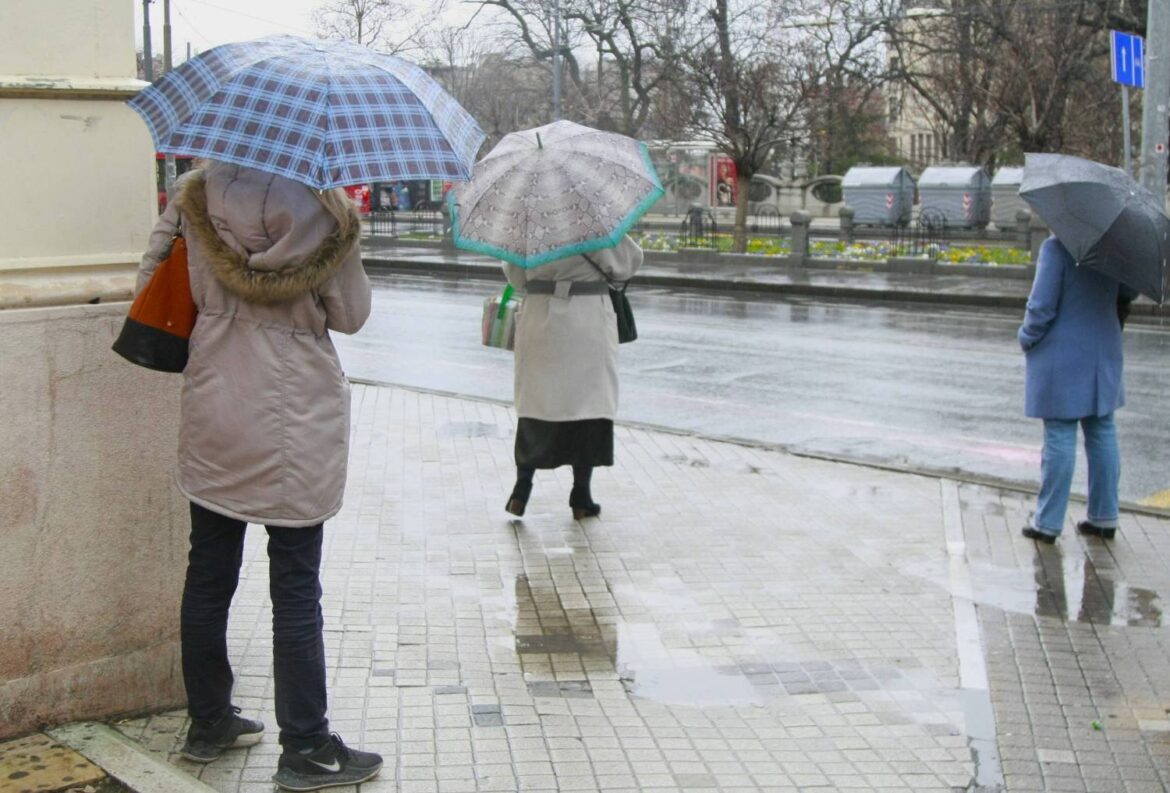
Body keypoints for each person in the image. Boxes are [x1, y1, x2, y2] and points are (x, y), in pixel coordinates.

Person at [136, 160, 382, 791]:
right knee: (295, 586)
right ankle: (305, 747)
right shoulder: (325, 213)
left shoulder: (194, 196)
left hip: (216, 399)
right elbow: (350, 314)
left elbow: (152, 283)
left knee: (209, 571)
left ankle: (209, 721)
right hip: (295, 417)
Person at [501, 235, 643, 519]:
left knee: (536, 402)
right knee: (587, 403)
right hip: (586, 318)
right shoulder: (593, 223)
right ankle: (581, 496)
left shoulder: (531, 227)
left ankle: (521, 489)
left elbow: (515, 276)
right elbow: (630, 262)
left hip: (539, 318)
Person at [1017, 235, 1136, 544]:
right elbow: (1129, 290)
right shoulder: (1113, 246)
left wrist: (1026, 337)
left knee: (1059, 434)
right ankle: (1104, 517)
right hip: (1104, 350)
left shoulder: (1057, 248)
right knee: (1102, 430)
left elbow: (1041, 307)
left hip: (1062, 355)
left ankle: (1048, 523)